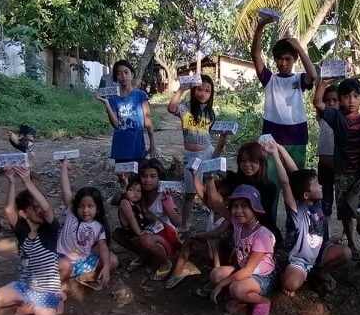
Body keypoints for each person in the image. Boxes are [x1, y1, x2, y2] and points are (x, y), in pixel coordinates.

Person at [251, 16, 317, 232]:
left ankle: (294, 229)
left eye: (288, 58)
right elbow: (255, 54)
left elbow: (313, 75)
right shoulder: (269, 79)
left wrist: (298, 45)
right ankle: (268, 231)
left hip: (297, 139)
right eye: (279, 59)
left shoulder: (299, 79)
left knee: (296, 185)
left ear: (294, 59)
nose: (283, 62)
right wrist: (260, 26)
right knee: (270, 187)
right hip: (271, 139)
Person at [264, 140, 351, 296]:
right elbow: (285, 182)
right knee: (290, 284)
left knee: (346, 253)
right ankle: (289, 274)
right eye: (317, 184)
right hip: (300, 261)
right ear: (306, 194)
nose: (321, 186)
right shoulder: (296, 212)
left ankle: (320, 272)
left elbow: (296, 174)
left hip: (320, 254)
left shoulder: (317, 203)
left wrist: (281, 148)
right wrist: (275, 154)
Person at [0, 166, 61, 315]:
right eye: (34, 208)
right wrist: (12, 182)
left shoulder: (50, 231)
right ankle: (31, 305)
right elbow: (9, 210)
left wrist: (27, 181)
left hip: (47, 291)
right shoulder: (22, 232)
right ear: (23, 213)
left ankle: (41, 306)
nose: (39, 210)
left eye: (39, 206)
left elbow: (47, 209)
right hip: (26, 286)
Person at [314, 77, 360, 254]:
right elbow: (318, 103)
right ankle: (351, 243)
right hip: (343, 173)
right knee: (344, 210)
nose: (351, 101)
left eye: (356, 96)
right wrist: (324, 84)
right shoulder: (336, 117)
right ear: (341, 99)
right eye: (346, 96)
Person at [208, 185, 277, 315]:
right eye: (235, 206)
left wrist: (221, 285)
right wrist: (208, 179)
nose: (239, 211)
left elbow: (249, 270)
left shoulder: (261, 235)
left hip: (262, 277)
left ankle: (262, 301)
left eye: (245, 206)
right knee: (216, 274)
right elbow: (215, 202)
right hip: (242, 269)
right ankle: (244, 298)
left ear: (255, 208)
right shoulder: (238, 223)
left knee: (235, 289)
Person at [167, 74, 227, 228]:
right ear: (193, 90)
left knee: (215, 184)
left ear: (211, 94)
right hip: (190, 156)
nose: (203, 93)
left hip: (207, 152)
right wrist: (181, 89)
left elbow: (214, 136)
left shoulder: (210, 114)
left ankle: (221, 220)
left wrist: (223, 140)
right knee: (190, 193)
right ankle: (184, 226)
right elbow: (171, 108)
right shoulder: (185, 108)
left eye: (207, 91)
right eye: (199, 89)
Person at [114, 158, 182, 281]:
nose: (148, 180)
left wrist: (168, 202)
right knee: (119, 234)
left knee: (144, 239)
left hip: (165, 233)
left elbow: (176, 220)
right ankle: (146, 256)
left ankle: (165, 262)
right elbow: (116, 201)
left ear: (159, 178)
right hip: (148, 230)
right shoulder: (139, 192)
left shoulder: (164, 196)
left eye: (153, 176)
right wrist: (123, 182)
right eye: (144, 176)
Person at [96, 60, 156, 194]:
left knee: (140, 182)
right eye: (118, 74)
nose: (123, 76)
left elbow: (147, 120)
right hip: (120, 148)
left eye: (126, 72)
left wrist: (152, 144)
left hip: (137, 146)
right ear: (116, 78)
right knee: (125, 184)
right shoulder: (113, 98)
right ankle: (126, 209)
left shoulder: (140, 95)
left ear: (132, 75)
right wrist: (106, 103)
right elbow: (116, 124)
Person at [57, 159, 118, 289]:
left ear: (98, 208)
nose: (85, 210)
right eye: (81, 206)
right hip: (62, 259)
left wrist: (106, 267)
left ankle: (84, 277)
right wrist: (64, 168)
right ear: (76, 206)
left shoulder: (98, 227)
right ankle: (64, 282)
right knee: (62, 267)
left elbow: (103, 248)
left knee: (112, 261)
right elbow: (66, 188)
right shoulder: (71, 212)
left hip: (82, 262)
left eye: (90, 206)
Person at [165, 172, 232, 290]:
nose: (212, 198)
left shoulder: (227, 218)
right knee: (189, 240)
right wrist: (195, 176)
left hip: (221, 254)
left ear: (226, 200)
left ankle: (215, 278)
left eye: (216, 196)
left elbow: (215, 233)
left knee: (215, 240)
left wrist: (198, 234)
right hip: (208, 247)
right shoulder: (213, 209)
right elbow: (201, 194)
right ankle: (177, 271)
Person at [224, 142, 280, 243]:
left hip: (262, 229)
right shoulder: (234, 180)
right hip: (237, 225)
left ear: (261, 163)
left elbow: (264, 214)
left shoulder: (269, 186)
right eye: (243, 161)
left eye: (252, 161)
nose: (247, 165)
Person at [317, 84, 340, 217]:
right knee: (325, 199)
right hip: (324, 165)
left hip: (340, 165)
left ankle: (345, 233)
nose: (331, 103)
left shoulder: (343, 119)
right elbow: (317, 101)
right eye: (328, 100)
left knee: (342, 199)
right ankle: (325, 230)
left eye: (335, 100)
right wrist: (322, 81)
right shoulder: (322, 117)